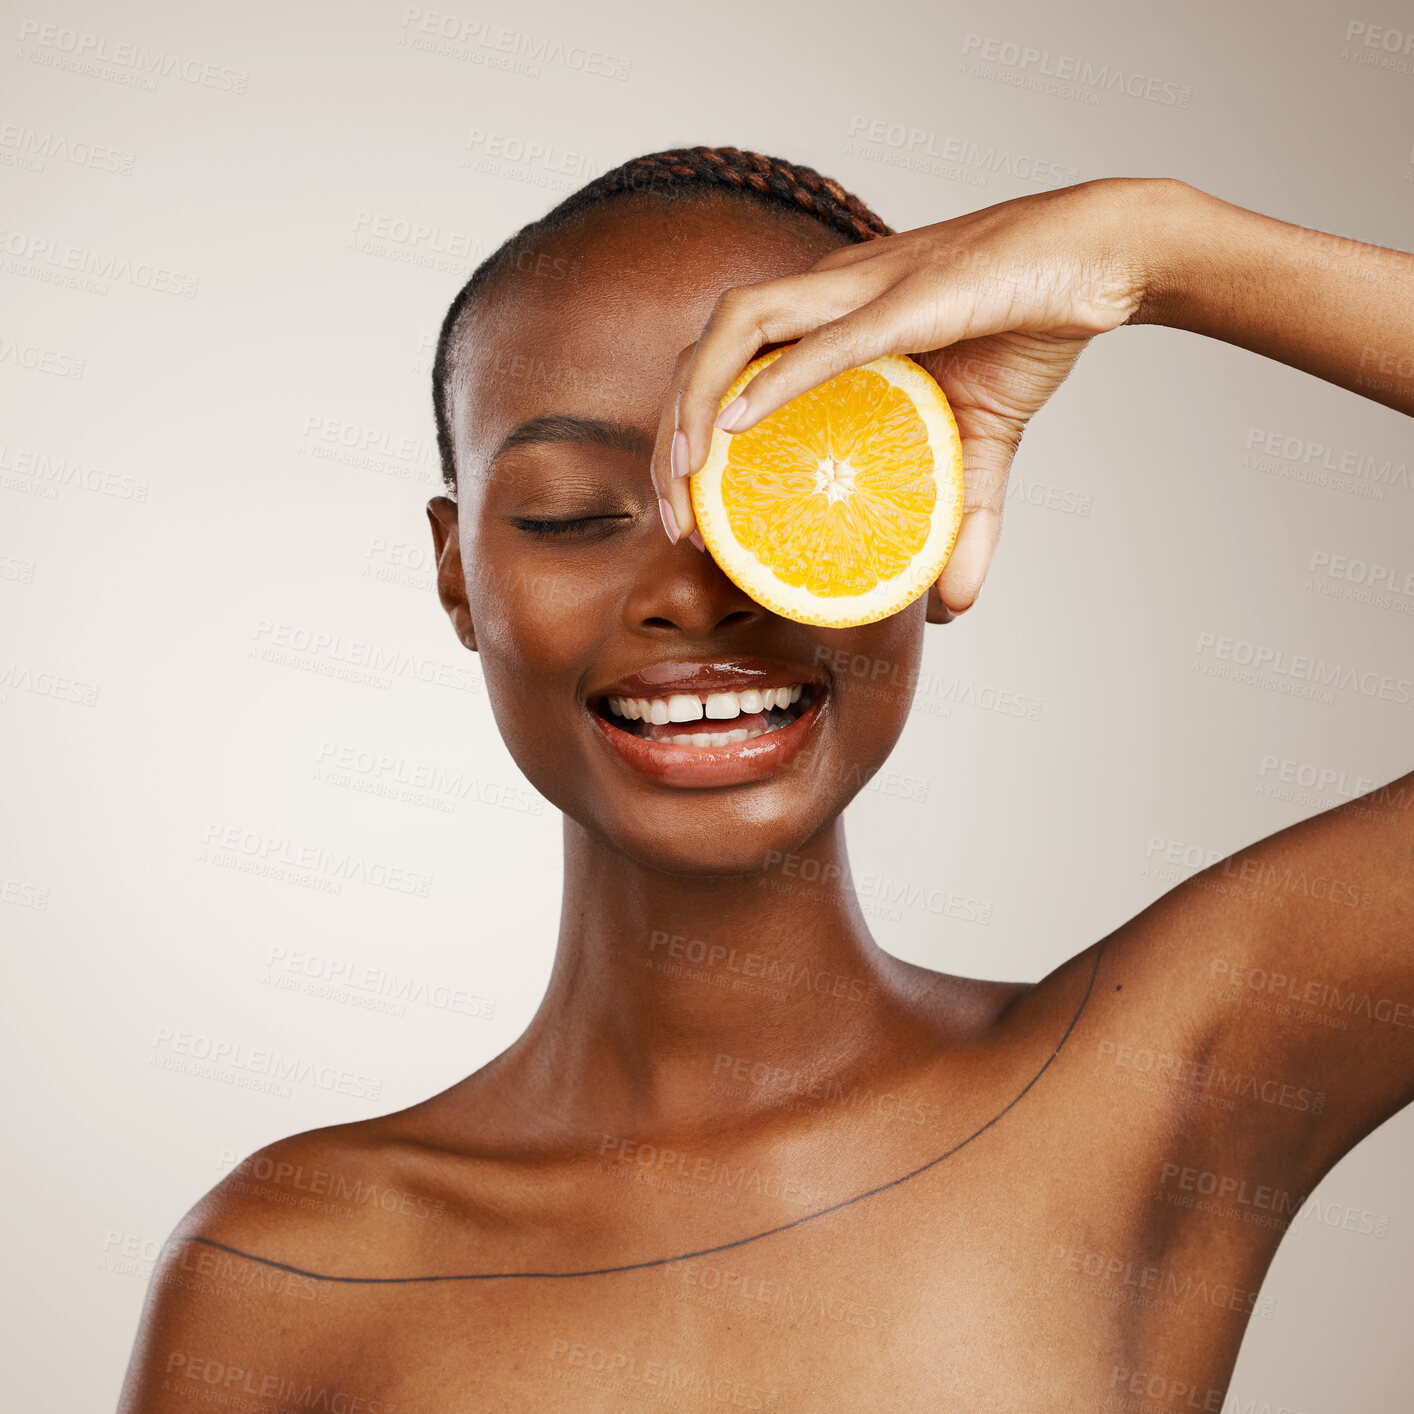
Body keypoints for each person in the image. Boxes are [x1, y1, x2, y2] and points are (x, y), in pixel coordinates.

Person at [119, 147, 1413, 1411]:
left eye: (778, 479)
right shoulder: (292, 1268)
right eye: (572, 511)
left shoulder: (1158, 1082)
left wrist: (1156, 249)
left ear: (930, 504)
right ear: (457, 571)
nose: (691, 592)